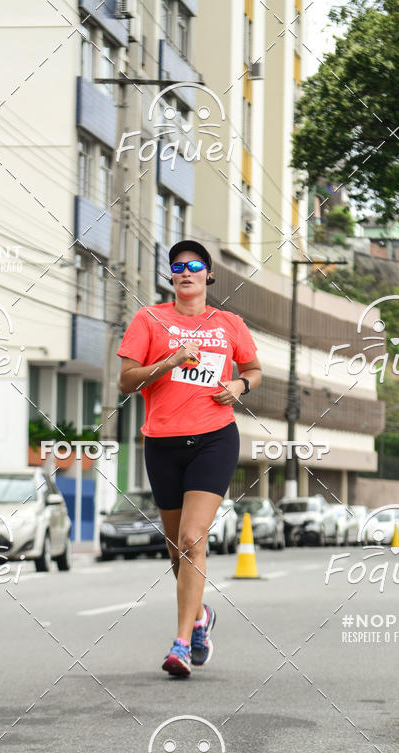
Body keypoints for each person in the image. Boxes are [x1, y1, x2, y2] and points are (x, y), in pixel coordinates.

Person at [117, 239, 262, 677]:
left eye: (194, 265)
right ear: (171, 276)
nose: (185, 271)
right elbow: (126, 380)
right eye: (177, 266)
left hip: (214, 438)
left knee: (193, 538)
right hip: (161, 442)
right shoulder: (149, 319)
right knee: (177, 548)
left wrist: (239, 387)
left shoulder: (229, 323)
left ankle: (181, 644)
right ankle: (200, 617)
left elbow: (254, 369)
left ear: (208, 275)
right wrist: (169, 361)